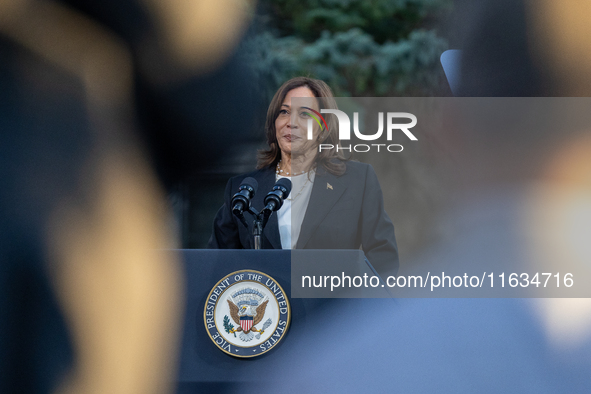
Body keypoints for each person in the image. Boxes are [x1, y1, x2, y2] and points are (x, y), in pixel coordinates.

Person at [208, 77, 399, 276]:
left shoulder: (358, 181)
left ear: (323, 128)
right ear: (274, 124)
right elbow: (218, 264)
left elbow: (383, 258)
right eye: (284, 112)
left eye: (305, 114)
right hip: (266, 305)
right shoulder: (242, 189)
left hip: (333, 306)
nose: (292, 123)